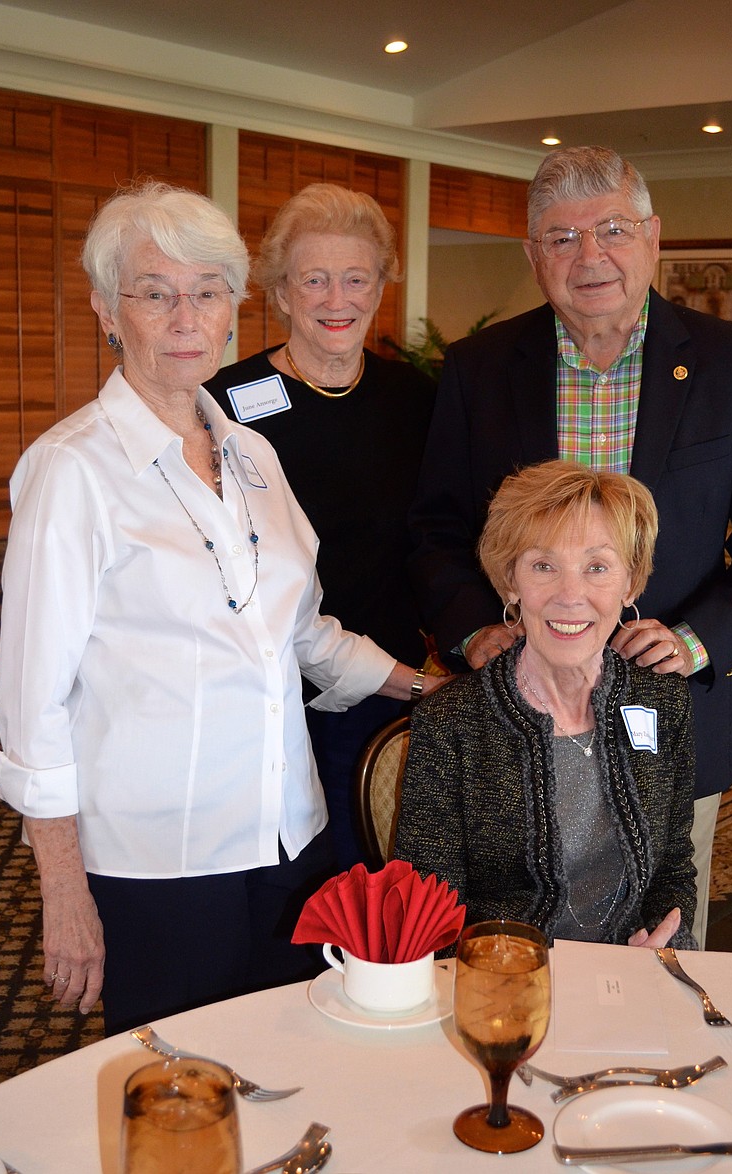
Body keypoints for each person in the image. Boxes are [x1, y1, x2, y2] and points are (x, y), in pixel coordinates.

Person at [0, 181, 442, 1035]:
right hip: (159, 864)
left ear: (234, 305)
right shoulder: (72, 470)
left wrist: (423, 688)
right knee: (181, 1105)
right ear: (106, 310)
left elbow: (302, 632)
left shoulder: (253, 451)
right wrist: (63, 889)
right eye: (156, 294)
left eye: (206, 292)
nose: (186, 317)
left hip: (288, 843)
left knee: (292, 1066)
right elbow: (31, 708)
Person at [408, 145, 732, 948]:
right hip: (515, 714)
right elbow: (434, 530)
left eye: (612, 230)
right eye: (561, 238)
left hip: (671, 720)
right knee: (504, 932)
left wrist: (696, 642)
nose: (588, 256)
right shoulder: (480, 368)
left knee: (659, 936)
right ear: (533, 257)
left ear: (653, 238)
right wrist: (472, 630)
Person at [204, 183, 436, 870]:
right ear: (280, 293)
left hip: (390, 687)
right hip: (262, 695)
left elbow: (445, 533)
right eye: (315, 280)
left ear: (379, 287)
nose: (338, 300)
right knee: (286, 886)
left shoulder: (418, 400)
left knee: (382, 874)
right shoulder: (224, 406)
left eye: (356, 278)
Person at [396, 461, 696, 949]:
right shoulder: (452, 722)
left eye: (597, 568)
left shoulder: (662, 699)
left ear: (631, 585)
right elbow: (429, 904)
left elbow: (674, 867)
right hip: (503, 985)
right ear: (511, 582)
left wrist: (665, 940)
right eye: (543, 566)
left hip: (639, 976)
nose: (570, 595)